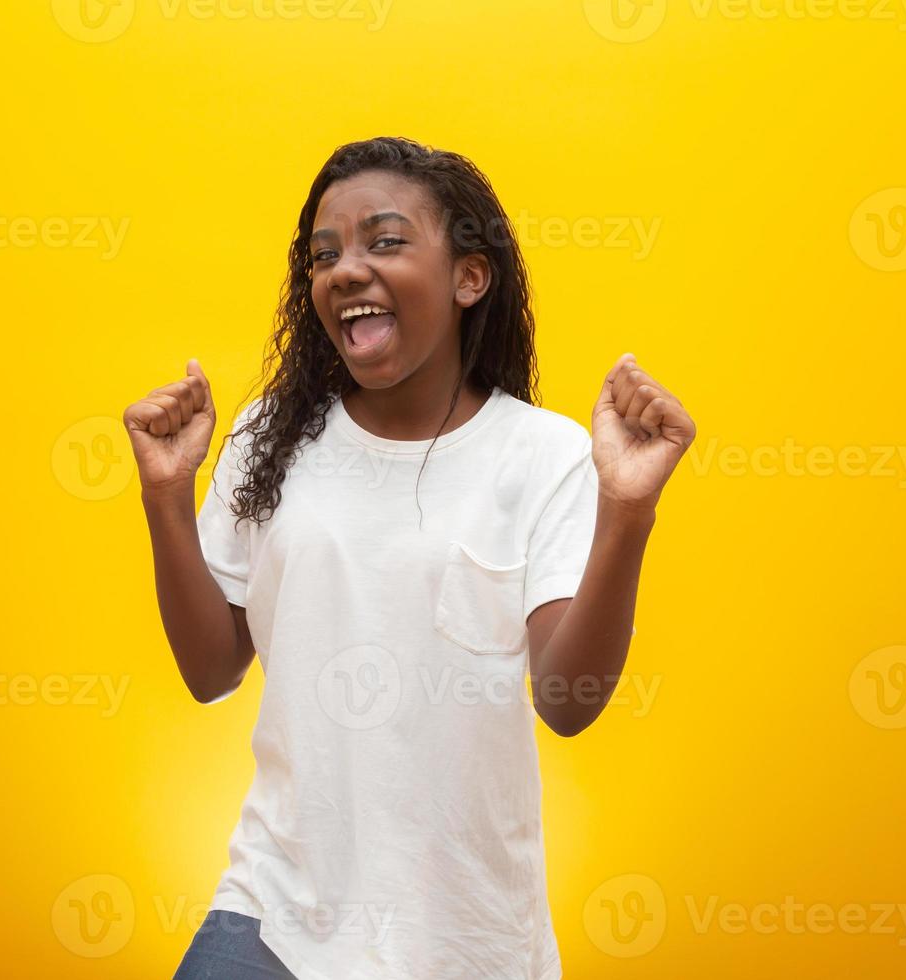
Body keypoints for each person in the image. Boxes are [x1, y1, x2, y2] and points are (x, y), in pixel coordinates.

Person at [124, 136, 696, 980]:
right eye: (324, 256)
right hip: (277, 910)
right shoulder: (268, 443)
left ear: (471, 277)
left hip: (464, 938)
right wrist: (166, 496)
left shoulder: (544, 456)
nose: (345, 270)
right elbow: (211, 669)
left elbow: (568, 701)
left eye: (385, 241)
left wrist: (628, 512)